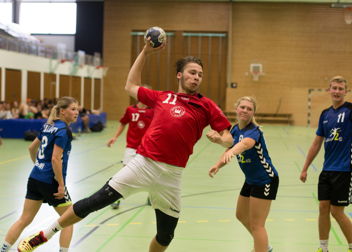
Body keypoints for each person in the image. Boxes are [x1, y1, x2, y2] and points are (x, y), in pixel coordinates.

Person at [17, 37, 233, 252]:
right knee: (96, 201)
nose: (196, 77)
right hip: (144, 165)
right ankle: (43, 236)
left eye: (200, 75)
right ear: (180, 75)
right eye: (192, 72)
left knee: (166, 235)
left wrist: (220, 139)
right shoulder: (163, 97)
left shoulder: (206, 105)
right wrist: (145, 53)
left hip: (172, 175)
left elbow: (229, 138)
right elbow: (131, 85)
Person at [0, 96, 79, 252]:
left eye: (77, 109)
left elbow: (32, 149)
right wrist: (61, 185)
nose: (77, 112)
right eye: (73, 109)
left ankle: (3, 250)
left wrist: (39, 166)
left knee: (23, 220)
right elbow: (56, 159)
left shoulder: (48, 126)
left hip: (35, 177)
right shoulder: (64, 130)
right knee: (69, 220)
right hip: (52, 182)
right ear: (62, 111)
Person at [209, 96, 278, 252]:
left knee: (257, 224)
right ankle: (264, 246)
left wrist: (232, 151)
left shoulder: (254, 130)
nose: (245, 111)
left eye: (249, 109)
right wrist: (218, 165)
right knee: (241, 215)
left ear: (253, 113)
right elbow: (228, 147)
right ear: (236, 109)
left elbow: (245, 144)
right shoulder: (235, 129)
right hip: (251, 179)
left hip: (265, 179)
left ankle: (262, 248)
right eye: (242, 107)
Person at [300, 76, 352, 252]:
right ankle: (323, 247)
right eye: (334, 88)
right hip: (327, 170)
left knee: (337, 212)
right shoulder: (325, 114)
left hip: (344, 170)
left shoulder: (350, 111)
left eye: (341, 88)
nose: (337, 91)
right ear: (329, 90)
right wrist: (305, 168)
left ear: (346, 91)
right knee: (323, 208)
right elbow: (316, 143)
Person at [107, 100, 154, 209]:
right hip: (131, 148)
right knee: (123, 175)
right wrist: (114, 137)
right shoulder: (130, 109)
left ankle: (151, 196)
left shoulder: (152, 111)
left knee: (151, 173)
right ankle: (116, 199)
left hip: (147, 148)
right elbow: (122, 124)